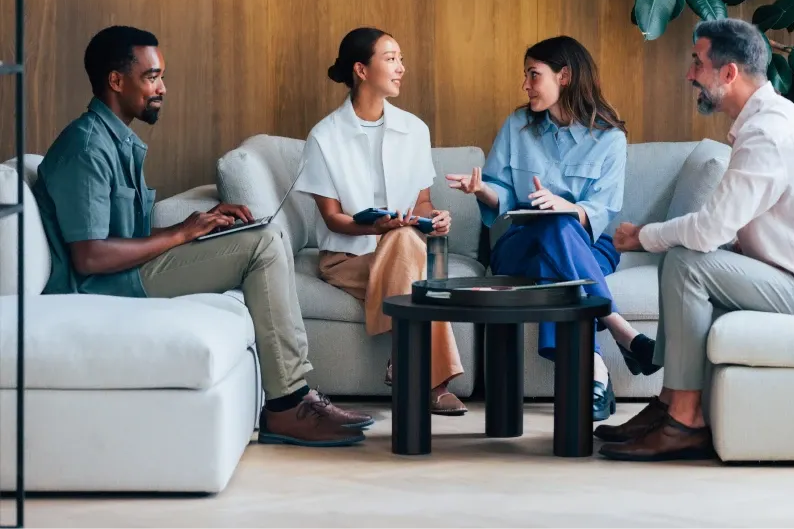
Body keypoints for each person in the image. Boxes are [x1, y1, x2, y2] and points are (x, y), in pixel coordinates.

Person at [34, 26, 372, 448]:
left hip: (125, 272)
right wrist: (180, 233)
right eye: (152, 77)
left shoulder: (117, 141)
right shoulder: (87, 148)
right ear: (116, 81)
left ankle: (293, 399)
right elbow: (90, 257)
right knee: (263, 244)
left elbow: (121, 236)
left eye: (161, 76)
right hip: (102, 286)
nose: (163, 87)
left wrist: (200, 223)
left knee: (262, 234)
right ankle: (289, 403)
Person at [598, 18, 794, 461]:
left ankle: (685, 421)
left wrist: (642, 237)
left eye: (697, 63)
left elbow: (709, 230)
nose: (690, 74)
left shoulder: (768, 133)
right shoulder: (768, 121)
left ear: (729, 74)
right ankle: (669, 403)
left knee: (688, 258)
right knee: (686, 256)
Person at [447, 35, 657, 422]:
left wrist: (569, 208)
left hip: (588, 246)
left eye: (533, 75)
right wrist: (481, 190)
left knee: (556, 240)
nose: (525, 85)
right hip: (518, 245)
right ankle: (619, 336)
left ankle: (594, 372)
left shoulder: (609, 138)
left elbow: (603, 208)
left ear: (564, 76)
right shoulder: (518, 125)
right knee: (548, 229)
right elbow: (502, 191)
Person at [293, 27, 468, 416]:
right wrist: (378, 227)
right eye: (390, 59)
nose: (401, 67)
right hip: (347, 257)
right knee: (406, 249)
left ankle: (407, 363)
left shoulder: (414, 129)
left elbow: (421, 202)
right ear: (361, 69)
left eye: (400, 58)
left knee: (406, 242)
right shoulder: (324, 136)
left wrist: (434, 218)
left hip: (406, 249)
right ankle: (430, 381)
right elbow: (333, 218)